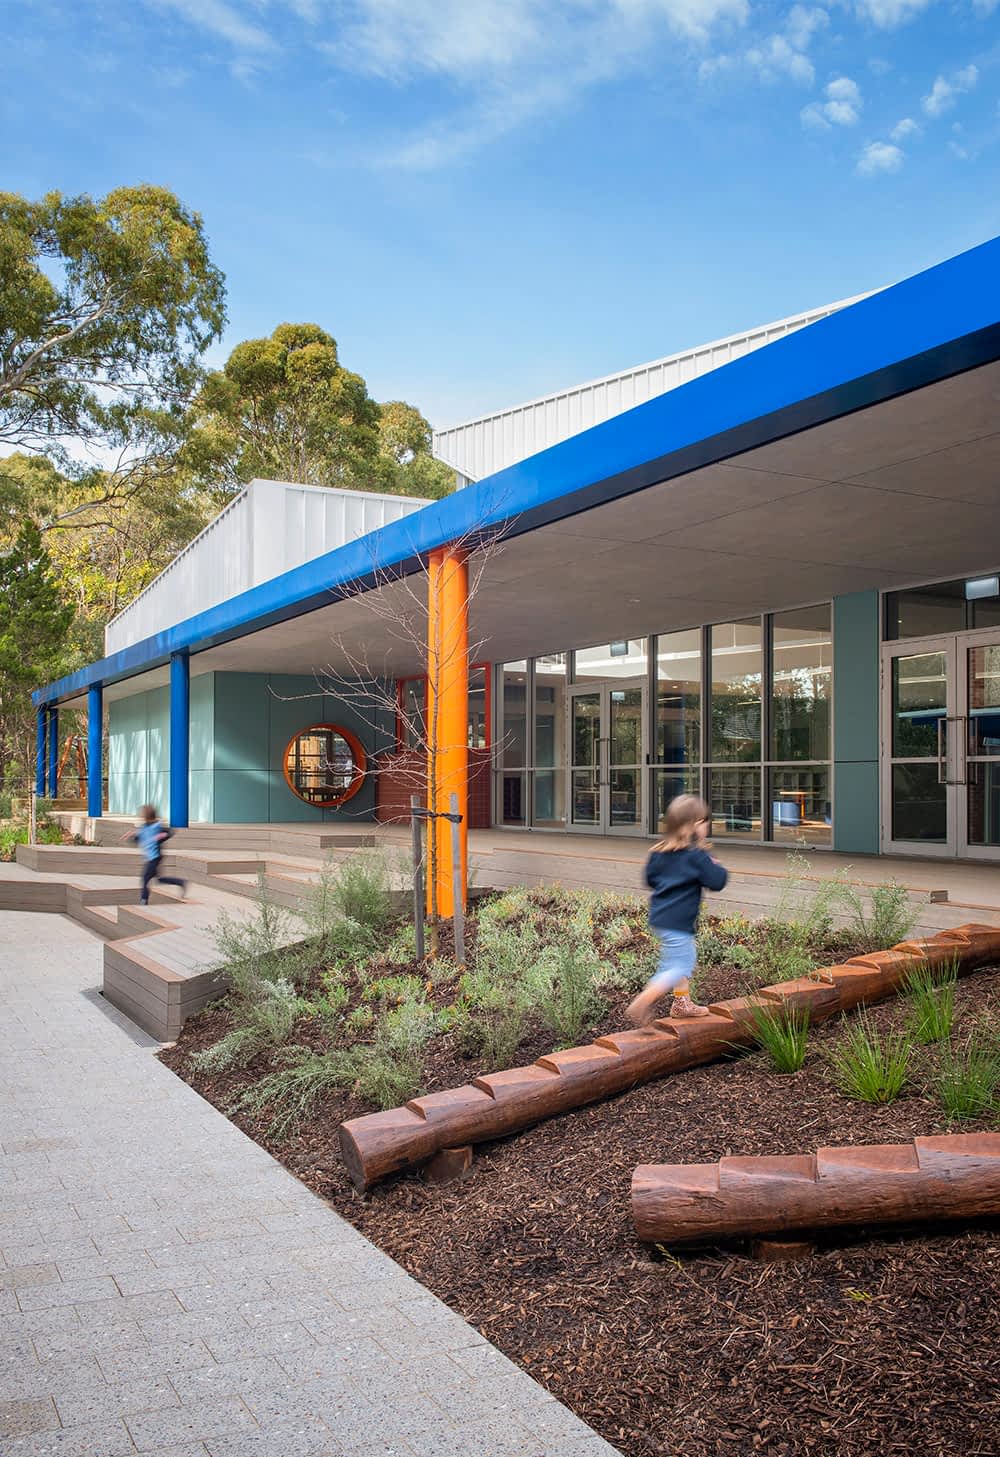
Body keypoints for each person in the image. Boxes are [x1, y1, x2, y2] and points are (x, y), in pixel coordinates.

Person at [627, 794, 728, 1026]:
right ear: (693, 825)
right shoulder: (697, 857)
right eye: (704, 821)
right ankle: (643, 1001)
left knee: (678, 958)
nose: (707, 826)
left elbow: (650, 879)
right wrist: (714, 863)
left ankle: (682, 1003)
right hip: (679, 921)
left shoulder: (659, 852)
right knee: (680, 964)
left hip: (661, 917)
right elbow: (717, 881)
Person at [121, 805, 187, 906]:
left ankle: (144, 900)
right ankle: (180, 882)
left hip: (155, 857)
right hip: (150, 857)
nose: (142, 817)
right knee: (158, 880)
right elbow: (141, 839)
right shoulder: (144, 827)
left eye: (143, 816)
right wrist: (131, 836)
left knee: (145, 878)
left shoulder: (157, 826)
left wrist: (162, 836)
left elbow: (170, 832)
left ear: (148, 817)